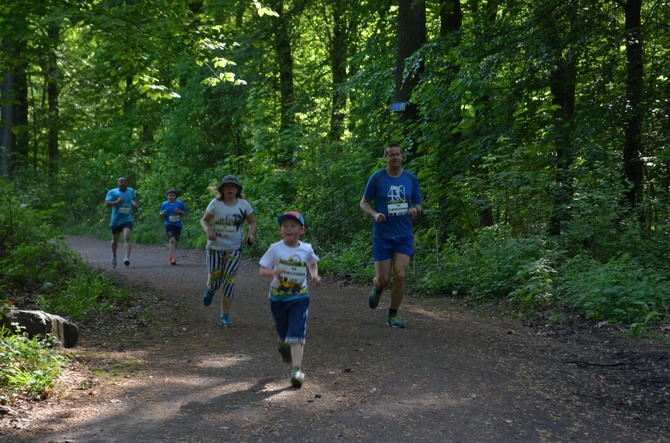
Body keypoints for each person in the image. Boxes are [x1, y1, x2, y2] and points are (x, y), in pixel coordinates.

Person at [359, 143, 422, 328]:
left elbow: (418, 204)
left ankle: (392, 315)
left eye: (398, 154)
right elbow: (364, 203)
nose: (395, 157)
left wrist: (415, 210)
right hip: (383, 235)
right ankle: (378, 288)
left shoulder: (411, 178)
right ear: (386, 158)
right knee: (383, 279)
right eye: (391, 155)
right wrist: (374, 214)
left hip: (404, 234)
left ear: (402, 157)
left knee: (400, 275)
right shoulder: (377, 178)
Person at [258, 211, 321, 389]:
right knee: (284, 334)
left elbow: (312, 263)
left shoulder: (306, 248)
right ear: (280, 230)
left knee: (297, 333)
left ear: (301, 230)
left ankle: (296, 371)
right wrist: (274, 272)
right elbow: (262, 271)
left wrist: (314, 275)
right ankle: (282, 344)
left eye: (293, 226)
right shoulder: (275, 248)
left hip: (299, 297)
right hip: (278, 297)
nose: (289, 229)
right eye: (285, 226)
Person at [200, 175, 257, 327]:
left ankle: (224, 315)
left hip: (234, 249)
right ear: (222, 189)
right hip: (215, 248)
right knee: (214, 279)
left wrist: (251, 234)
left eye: (233, 186)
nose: (230, 188)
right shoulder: (215, 204)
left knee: (229, 281)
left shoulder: (244, 205)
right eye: (227, 186)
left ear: (237, 189)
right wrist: (208, 231)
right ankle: (210, 289)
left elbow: (252, 222)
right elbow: (204, 220)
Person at [104, 177, 139, 268]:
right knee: (114, 241)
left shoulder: (130, 191)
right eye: (121, 182)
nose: (123, 183)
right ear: (117, 183)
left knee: (127, 237)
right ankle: (114, 256)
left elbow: (133, 198)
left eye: (125, 182)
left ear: (127, 183)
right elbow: (106, 204)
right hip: (116, 220)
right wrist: (117, 202)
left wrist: (134, 204)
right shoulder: (113, 192)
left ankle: (126, 257)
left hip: (127, 218)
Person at [159, 189, 188, 265]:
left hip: (178, 225)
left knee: (176, 243)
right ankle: (174, 259)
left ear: (176, 196)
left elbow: (185, 213)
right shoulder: (164, 204)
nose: (171, 197)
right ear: (167, 196)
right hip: (168, 224)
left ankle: (172, 254)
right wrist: (163, 213)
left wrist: (180, 212)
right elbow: (160, 213)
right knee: (172, 240)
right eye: (170, 195)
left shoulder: (180, 203)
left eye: (173, 195)